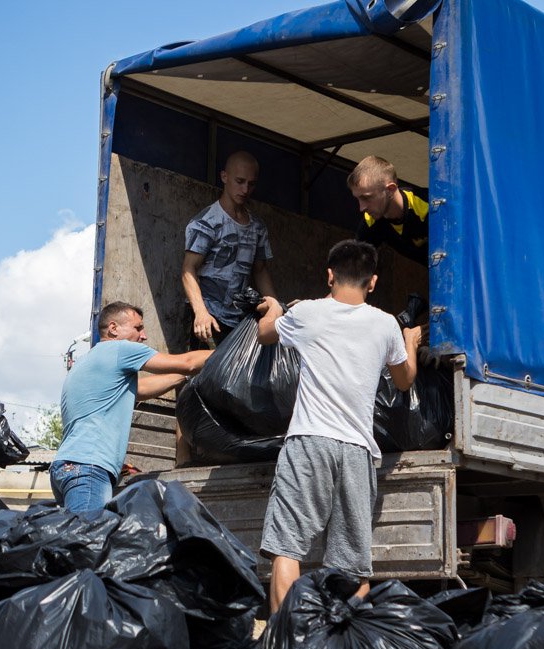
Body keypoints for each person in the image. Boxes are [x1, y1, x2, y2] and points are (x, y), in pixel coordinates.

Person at [255, 239, 422, 613]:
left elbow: (265, 333)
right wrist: (409, 341)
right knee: (352, 566)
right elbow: (404, 380)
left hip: (308, 443)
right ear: (373, 282)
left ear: (329, 276)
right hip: (357, 451)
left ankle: (288, 634)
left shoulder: (308, 313)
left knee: (286, 548)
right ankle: (341, 635)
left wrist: (276, 308)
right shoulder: (386, 325)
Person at [51, 302, 212, 513]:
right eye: (138, 328)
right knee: (89, 533)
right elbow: (188, 362)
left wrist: (184, 377)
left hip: (67, 467)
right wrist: (231, 350)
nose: (144, 336)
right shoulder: (120, 349)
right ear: (113, 328)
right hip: (89, 468)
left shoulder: (88, 360)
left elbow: (142, 388)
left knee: (77, 532)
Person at [182, 150, 277, 348]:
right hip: (209, 317)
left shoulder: (257, 227)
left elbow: (260, 270)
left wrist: (276, 309)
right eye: (239, 181)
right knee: (204, 367)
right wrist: (200, 312)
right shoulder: (207, 222)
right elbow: (188, 270)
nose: (245, 189)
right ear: (224, 177)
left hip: (240, 320)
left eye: (251, 184)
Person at [347, 155, 430, 268]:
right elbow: (356, 264)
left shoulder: (429, 205)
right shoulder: (371, 221)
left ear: (390, 189)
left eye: (366, 198)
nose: (361, 208)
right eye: (358, 199)